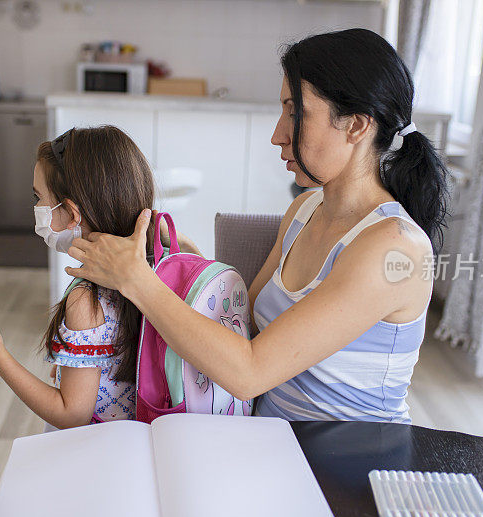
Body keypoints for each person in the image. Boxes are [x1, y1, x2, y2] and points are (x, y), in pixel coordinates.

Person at [63, 29, 450, 424]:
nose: (278, 134)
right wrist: (189, 264)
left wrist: (138, 281)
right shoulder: (304, 210)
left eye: (296, 113)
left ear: (356, 126)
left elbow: (248, 373)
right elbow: (245, 327)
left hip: (349, 457)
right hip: (265, 437)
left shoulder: (395, 249)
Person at [0, 125, 198, 428]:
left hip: (101, 446)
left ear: (71, 214)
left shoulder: (86, 299)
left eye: (38, 197)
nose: (36, 207)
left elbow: (71, 415)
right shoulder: (162, 263)